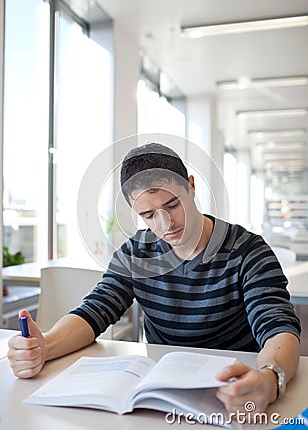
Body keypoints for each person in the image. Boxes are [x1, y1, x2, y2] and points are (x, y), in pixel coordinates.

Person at [8, 142, 300, 415]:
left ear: (191, 186)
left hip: (233, 387)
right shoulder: (136, 253)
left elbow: (278, 327)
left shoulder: (248, 250)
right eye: (148, 215)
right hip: (162, 394)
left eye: (173, 205)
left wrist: (271, 379)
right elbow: (94, 311)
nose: (166, 223)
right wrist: (46, 345)